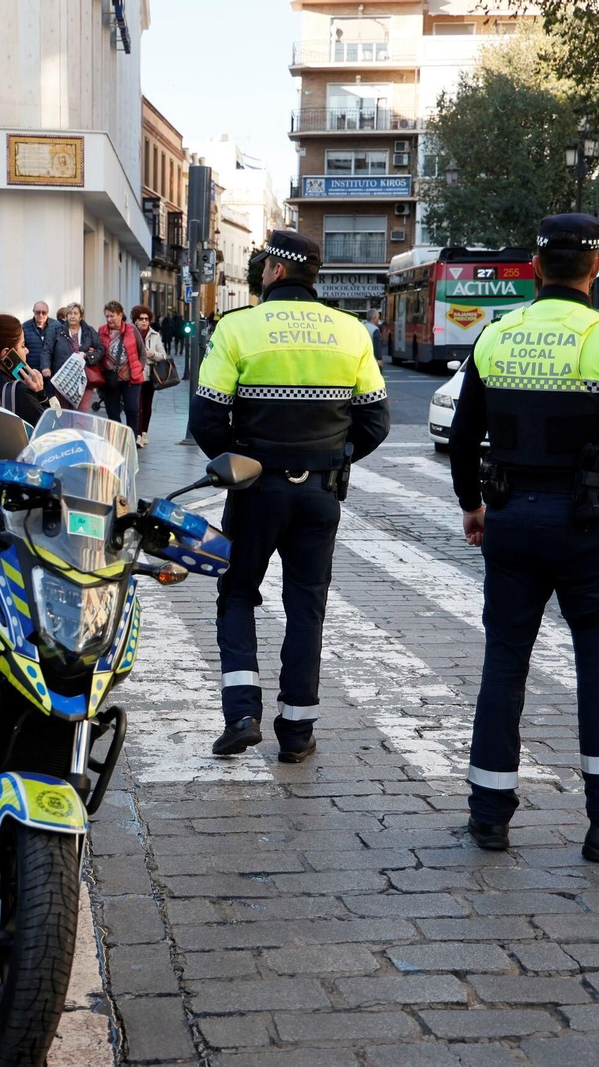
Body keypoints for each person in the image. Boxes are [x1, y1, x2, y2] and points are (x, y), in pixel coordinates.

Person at [448, 213, 599, 864]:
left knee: (504, 662)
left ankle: (488, 816)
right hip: (587, 527)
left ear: (536, 268)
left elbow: (463, 436)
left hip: (511, 523)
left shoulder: (495, 335)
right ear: (595, 267)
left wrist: (472, 504)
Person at [189, 229, 391, 764]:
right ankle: (297, 732)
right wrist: (334, 456)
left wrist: (240, 465)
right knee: (307, 607)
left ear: (276, 271)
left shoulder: (238, 328)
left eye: (262, 267)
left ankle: (241, 713)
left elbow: (206, 418)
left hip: (255, 491)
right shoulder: (351, 332)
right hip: (321, 494)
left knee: (236, 593)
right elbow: (375, 422)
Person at [98, 301, 145, 433]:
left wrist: (139, 368)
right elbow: (99, 350)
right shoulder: (102, 330)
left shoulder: (131, 329)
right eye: (106, 316)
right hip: (110, 380)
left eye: (112, 316)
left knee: (132, 409)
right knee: (112, 413)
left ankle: (131, 439)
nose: (109, 319)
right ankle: (116, 441)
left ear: (120, 315)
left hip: (131, 379)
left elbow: (142, 352)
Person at [52, 303, 105, 411]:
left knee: (81, 413)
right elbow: (48, 350)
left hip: (84, 378)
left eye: (75, 313)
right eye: (70, 313)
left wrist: (88, 355)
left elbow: (101, 349)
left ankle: (77, 429)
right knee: (63, 413)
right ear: (66, 316)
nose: (72, 316)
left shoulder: (89, 331)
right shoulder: (57, 331)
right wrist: (46, 368)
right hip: (63, 378)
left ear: (81, 316)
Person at [131, 304, 168, 447]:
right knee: (136, 406)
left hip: (150, 376)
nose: (144, 321)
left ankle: (144, 432)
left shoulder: (155, 335)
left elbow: (163, 355)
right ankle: (138, 434)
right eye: (141, 319)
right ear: (135, 320)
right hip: (135, 375)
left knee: (147, 405)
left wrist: (153, 354)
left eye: (146, 319)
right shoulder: (130, 333)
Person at [23, 301, 63, 380]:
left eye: (44, 312)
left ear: (48, 312)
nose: (41, 315)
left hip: (52, 372)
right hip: (32, 372)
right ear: (33, 312)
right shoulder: (25, 327)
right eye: (38, 312)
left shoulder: (56, 326)